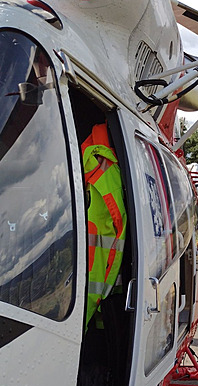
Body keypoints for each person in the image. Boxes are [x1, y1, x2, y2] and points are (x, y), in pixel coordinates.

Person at [81, 123, 127, 330]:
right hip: (95, 292)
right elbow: (118, 234)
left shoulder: (100, 168)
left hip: (89, 292)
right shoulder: (107, 170)